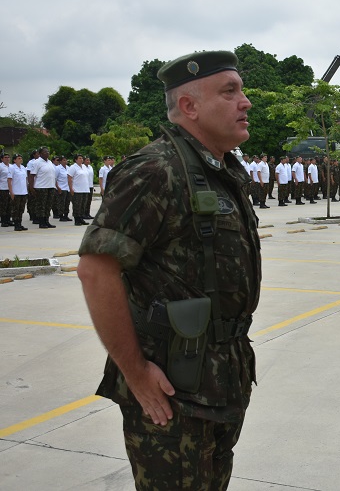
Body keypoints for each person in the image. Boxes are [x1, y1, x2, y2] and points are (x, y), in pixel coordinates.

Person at [76, 50, 262, 490]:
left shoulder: (217, 170)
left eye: (242, 90)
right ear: (189, 107)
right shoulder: (156, 169)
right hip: (174, 388)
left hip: (220, 378)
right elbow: (95, 270)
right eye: (230, 91)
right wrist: (136, 374)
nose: (246, 102)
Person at [29, 146, 58, 228]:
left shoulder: (49, 162)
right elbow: (32, 175)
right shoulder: (37, 162)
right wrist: (31, 187)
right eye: (45, 152)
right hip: (41, 187)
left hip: (50, 186)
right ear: (40, 153)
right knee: (41, 205)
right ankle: (41, 221)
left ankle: (46, 220)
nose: (47, 153)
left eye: (48, 151)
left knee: (48, 205)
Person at [68, 155, 91, 226]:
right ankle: (77, 219)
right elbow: (69, 178)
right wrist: (71, 188)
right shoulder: (73, 167)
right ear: (75, 160)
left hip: (85, 189)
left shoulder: (84, 167)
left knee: (83, 205)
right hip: (77, 190)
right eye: (79, 158)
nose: (81, 160)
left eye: (82, 158)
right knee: (77, 205)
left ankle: (81, 218)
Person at [8, 154, 29, 231]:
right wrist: (11, 192)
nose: (21, 159)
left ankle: (19, 223)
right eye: (19, 158)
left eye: (21, 158)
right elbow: (9, 180)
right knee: (15, 209)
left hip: (23, 192)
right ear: (14, 160)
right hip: (16, 192)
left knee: (21, 209)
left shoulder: (23, 168)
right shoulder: (12, 168)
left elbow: (25, 179)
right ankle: (16, 224)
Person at [0, 153, 10, 227]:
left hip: (10, 188)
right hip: (3, 188)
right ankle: (3, 221)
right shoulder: (0, 166)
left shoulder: (12, 166)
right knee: (4, 205)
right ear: (2, 159)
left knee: (9, 205)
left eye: (8, 157)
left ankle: (8, 219)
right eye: (5, 157)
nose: (7, 158)